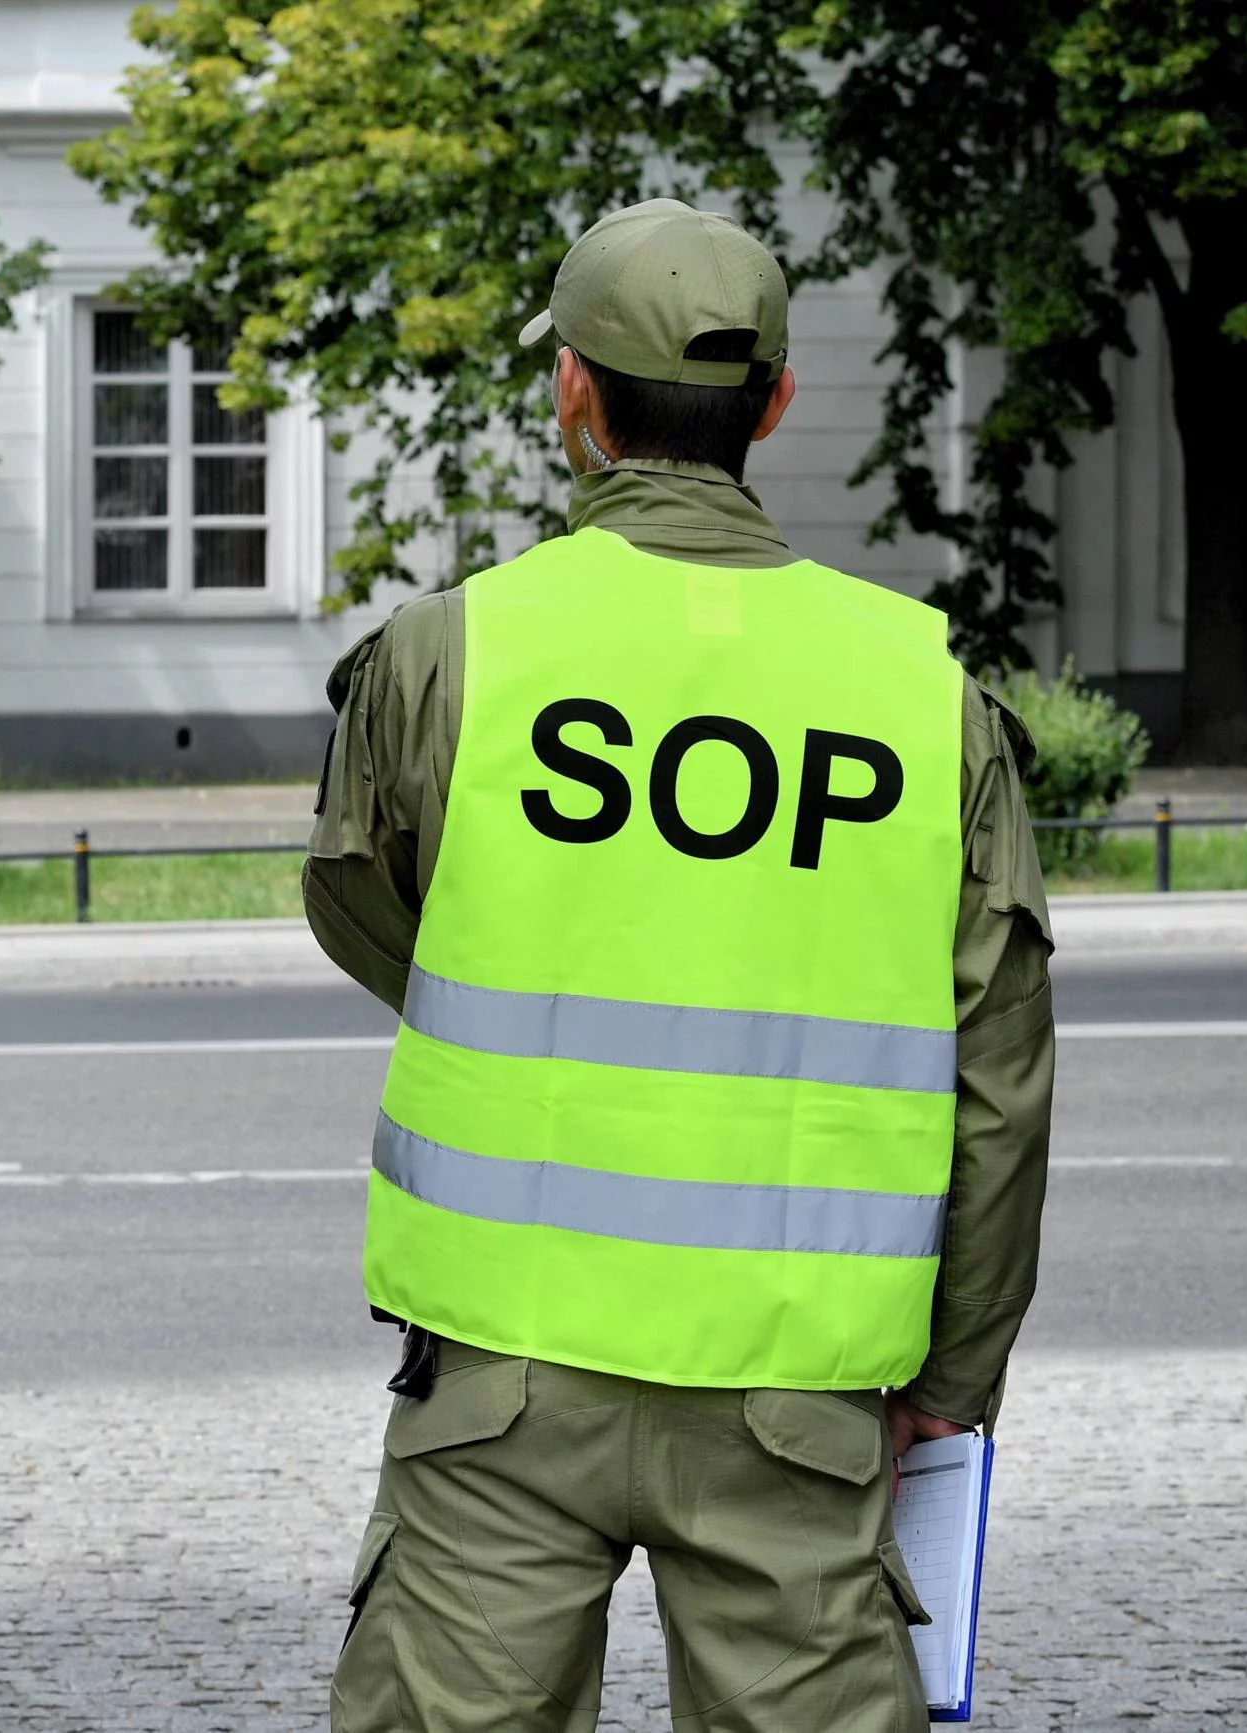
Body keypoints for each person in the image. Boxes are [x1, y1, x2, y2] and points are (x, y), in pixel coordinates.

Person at [308, 199, 1054, 1732]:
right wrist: (953, 1381)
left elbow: (372, 913)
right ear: (774, 405)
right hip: (803, 1395)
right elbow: (1000, 1077)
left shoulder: (450, 653)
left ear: (573, 399)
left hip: (500, 1375)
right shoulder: (926, 692)